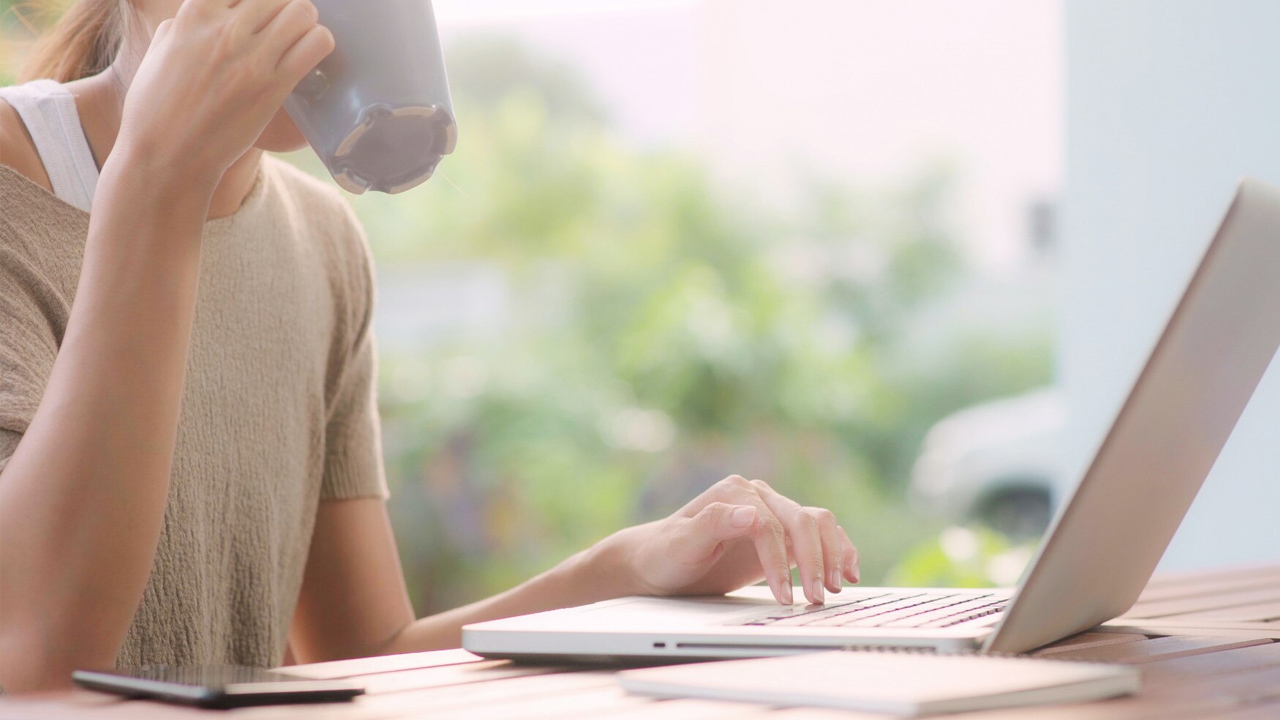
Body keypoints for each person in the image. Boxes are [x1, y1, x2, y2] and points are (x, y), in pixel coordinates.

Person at [0, 0, 860, 694]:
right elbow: (30, 660)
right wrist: (159, 177)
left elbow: (369, 656)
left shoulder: (319, 241)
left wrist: (630, 569)